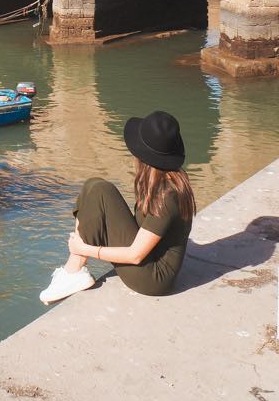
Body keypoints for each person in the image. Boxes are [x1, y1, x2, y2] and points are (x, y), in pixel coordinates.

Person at [39, 110, 196, 305]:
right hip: (149, 258)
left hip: (153, 278)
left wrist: (86, 249)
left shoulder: (168, 196)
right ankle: (74, 265)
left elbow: (135, 255)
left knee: (102, 191)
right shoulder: (162, 180)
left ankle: (74, 269)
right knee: (93, 184)